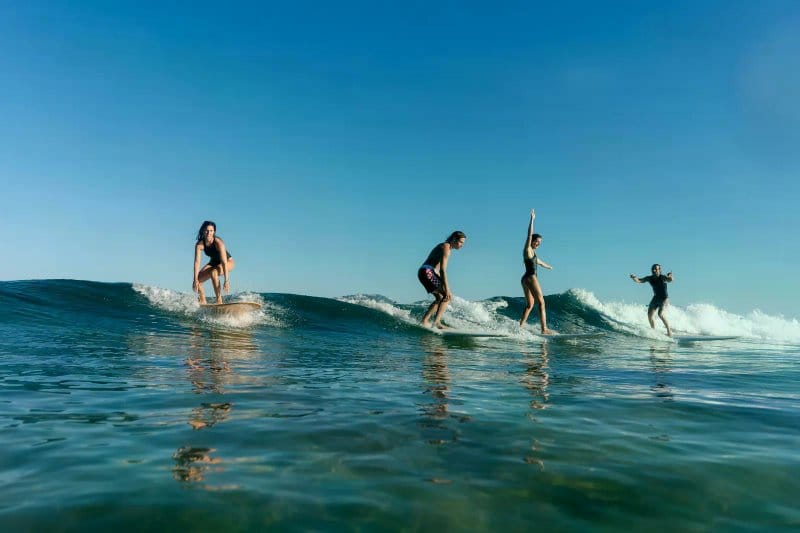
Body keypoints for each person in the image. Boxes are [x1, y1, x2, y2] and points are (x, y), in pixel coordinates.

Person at [417, 231, 466, 329]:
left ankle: (424, 321)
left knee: (440, 297)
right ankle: (436, 322)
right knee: (447, 296)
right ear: (454, 239)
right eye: (460, 242)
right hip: (427, 271)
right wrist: (447, 289)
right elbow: (443, 270)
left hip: (426, 271)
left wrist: (444, 285)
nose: (462, 245)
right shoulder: (446, 247)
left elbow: (438, 270)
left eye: (463, 243)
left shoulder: (445, 247)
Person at [519, 209, 554, 333]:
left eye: (540, 243)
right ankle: (544, 329)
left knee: (530, 305)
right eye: (537, 242)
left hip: (525, 279)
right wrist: (532, 219)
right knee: (541, 302)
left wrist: (548, 266)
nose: (538, 244)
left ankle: (520, 327)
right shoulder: (527, 249)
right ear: (532, 241)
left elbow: (539, 261)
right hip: (530, 277)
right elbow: (529, 234)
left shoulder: (533, 253)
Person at [193, 221, 235, 304]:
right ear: (203, 231)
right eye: (207, 230)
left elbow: (223, 262)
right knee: (198, 280)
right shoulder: (200, 245)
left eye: (211, 231)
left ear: (214, 232)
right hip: (213, 262)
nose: (209, 233)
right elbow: (197, 262)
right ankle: (203, 302)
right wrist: (195, 280)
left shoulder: (219, 243)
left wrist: (226, 280)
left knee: (214, 272)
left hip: (227, 262)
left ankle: (219, 301)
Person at [630, 264, 673, 336]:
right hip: (655, 298)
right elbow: (639, 281)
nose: (654, 270)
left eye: (656, 269)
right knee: (649, 314)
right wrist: (634, 277)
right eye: (653, 269)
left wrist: (670, 277)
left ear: (659, 270)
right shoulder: (649, 278)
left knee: (660, 314)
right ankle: (653, 331)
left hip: (664, 298)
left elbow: (670, 280)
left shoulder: (662, 277)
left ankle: (669, 331)